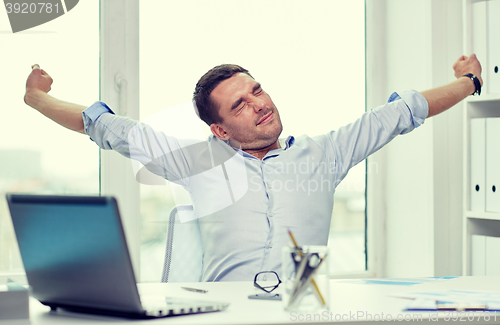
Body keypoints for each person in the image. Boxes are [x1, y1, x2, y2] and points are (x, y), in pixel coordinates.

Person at [24, 55, 482, 281]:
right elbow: (105, 126)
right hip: (222, 315)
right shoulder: (196, 162)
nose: (259, 105)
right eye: (239, 105)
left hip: (303, 312)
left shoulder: (326, 152)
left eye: (257, 90)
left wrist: (469, 80)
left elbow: (403, 113)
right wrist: (39, 98)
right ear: (219, 130)